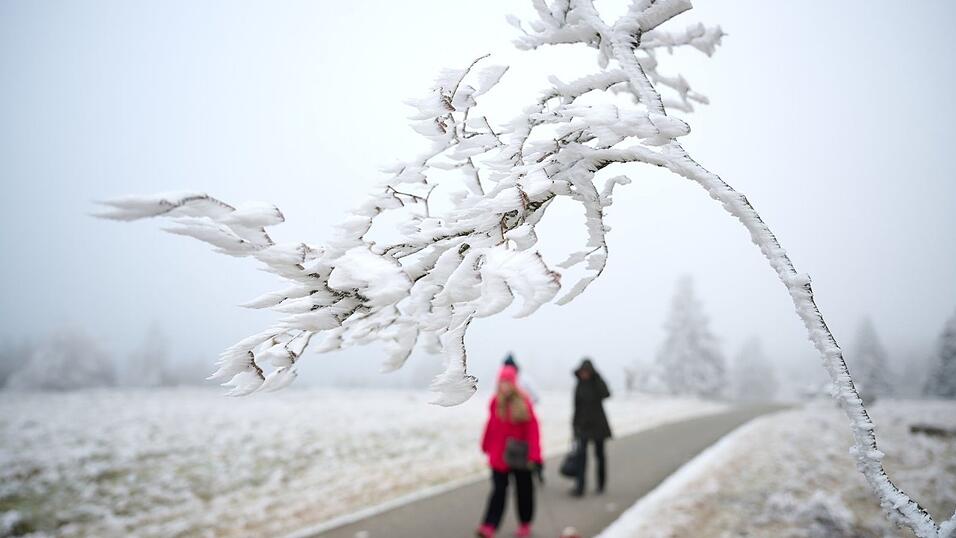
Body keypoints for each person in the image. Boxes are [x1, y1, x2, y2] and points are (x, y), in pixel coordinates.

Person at [477, 365, 543, 538]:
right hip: (499, 457)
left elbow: (533, 430)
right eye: (502, 383)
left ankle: (525, 524)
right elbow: (490, 425)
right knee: (498, 492)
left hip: (520, 456)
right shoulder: (495, 402)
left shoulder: (523, 402)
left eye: (507, 382)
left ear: (513, 383)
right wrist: (485, 444)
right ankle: (489, 525)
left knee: (524, 491)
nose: (504, 386)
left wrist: (535, 455)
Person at [571, 358, 611, 496]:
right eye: (582, 372)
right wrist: (574, 426)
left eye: (587, 372)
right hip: (583, 426)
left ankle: (601, 484)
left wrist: (598, 378)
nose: (584, 375)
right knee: (581, 457)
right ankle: (580, 487)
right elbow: (576, 406)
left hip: (598, 425)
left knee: (599, 456)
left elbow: (607, 394)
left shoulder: (597, 383)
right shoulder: (579, 385)